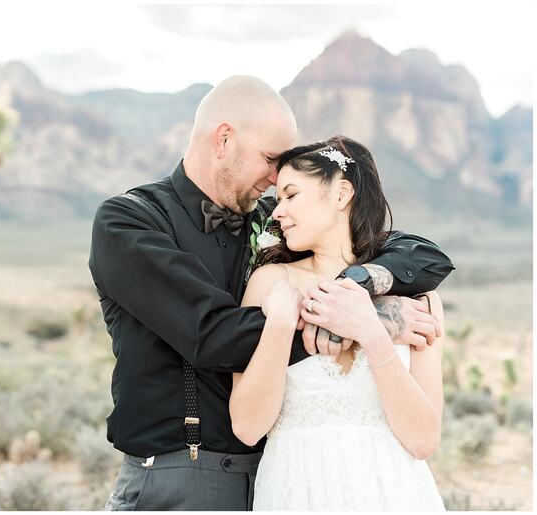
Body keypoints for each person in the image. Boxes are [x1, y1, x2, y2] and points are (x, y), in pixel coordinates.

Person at [88, 76, 454, 511]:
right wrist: (365, 319)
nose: (275, 177)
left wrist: (357, 288)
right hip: (178, 476)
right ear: (223, 139)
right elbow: (212, 334)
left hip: (273, 473)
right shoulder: (129, 222)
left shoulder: (274, 217)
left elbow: (421, 256)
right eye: (269, 159)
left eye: (288, 183)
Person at [232, 135, 447, 510]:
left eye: (291, 195)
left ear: (341, 194)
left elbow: (423, 440)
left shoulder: (418, 302)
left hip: (392, 489)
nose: (277, 212)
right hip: (297, 488)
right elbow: (248, 428)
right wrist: (281, 323)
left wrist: (370, 330)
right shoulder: (270, 284)